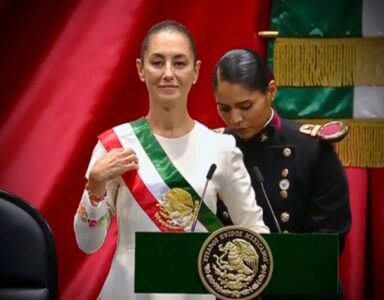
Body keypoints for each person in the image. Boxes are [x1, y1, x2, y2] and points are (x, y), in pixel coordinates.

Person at [73, 22, 269, 300]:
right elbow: (87, 243)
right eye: (157, 62)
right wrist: (95, 185)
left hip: (197, 291)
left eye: (179, 63)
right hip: (129, 290)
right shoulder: (115, 145)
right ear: (141, 69)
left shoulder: (221, 148)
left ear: (195, 71)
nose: (168, 73)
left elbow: (255, 233)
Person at [212, 48, 352, 299]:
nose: (236, 119)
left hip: (301, 286)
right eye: (224, 108)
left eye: (246, 106)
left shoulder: (311, 148)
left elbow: (331, 238)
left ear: (271, 91)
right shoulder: (212, 148)